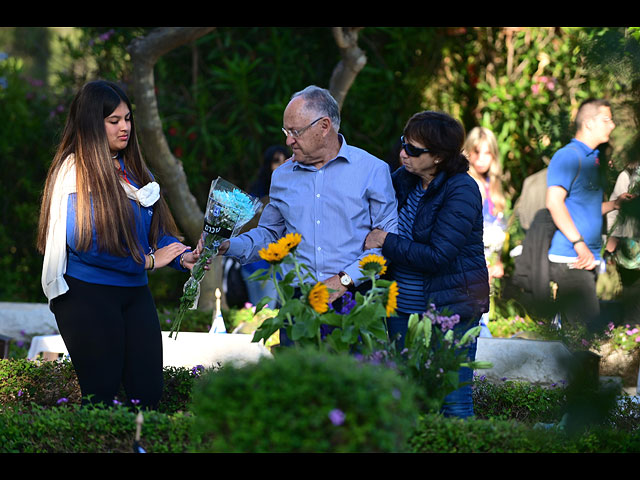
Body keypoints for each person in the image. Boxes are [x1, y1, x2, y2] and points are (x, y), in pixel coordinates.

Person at [37, 80, 204, 409]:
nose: (124, 127)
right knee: (101, 395)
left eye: (128, 119)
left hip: (134, 293)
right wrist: (149, 261)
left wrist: (182, 256)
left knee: (148, 394)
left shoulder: (134, 170)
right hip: (87, 295)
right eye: (114, 121)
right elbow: (86, 243)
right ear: (91, 123)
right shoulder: (74, 172)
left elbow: (154, 233)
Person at [218, 85, 398, 324]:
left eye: (296, 131)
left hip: (355, 299)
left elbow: (388, 242)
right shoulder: (282, 176)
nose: (288, 140)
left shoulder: (372, 171)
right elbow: (270, 234)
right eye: (286, 131)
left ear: (324, 127)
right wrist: (229, 245)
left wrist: (344, 280)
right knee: (297, 363)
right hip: (297, 302)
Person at [365, 111, 489, 419]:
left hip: (450, 307)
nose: (402, 153)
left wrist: (385, 240)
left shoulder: (461, 189)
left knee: (454, 401)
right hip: (401, 307)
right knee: (404, 397)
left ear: (437, 157)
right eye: (403, 144)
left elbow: (438, 255)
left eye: (413, 149)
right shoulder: (405, 178)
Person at [546, 98, 631, 333]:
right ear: (589, 123)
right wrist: (578, 242)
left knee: (575, 336)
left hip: (588, 258)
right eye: (607, 119)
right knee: (586, 336)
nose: (612, 125)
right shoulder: (568, 156)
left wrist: (614, 204)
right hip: (572, 259)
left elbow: (585, 207)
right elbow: (554, 203)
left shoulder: (592, 159)